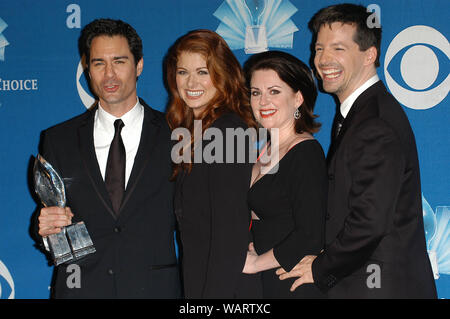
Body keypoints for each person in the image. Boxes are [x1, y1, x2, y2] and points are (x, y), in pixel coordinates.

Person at [277, 4, 437, 298]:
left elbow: (370, 222)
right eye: (319, 49)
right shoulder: (361, 114)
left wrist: (320, 268)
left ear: (370, 55)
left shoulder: (374, 122)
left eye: (338, 48)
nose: (322, 60)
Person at [33, 19, 181, 298]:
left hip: (155, 290)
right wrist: (47, 232)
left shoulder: (176, 136)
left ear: (139, 66)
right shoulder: (58, 140)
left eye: (119, 61)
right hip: (81, 290)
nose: (109, 74)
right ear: (88, 70)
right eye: (99, 63)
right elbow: (58, 233)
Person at [165, 29, 262, 298]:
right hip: (202, 280)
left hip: (224, 288)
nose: (191, 82)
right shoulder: (191, 132)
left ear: (223, 75)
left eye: (203, 72)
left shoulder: (228, 130)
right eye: (183, 72)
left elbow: (229, 232)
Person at [241, 51, 327, 299]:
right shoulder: (265, 152)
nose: (263, 101)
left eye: (274, 91)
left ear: (298, 98)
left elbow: (311, 234)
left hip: (292, 286)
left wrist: (256, 264)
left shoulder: (305, 153)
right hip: (265, 285)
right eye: (256, 92)